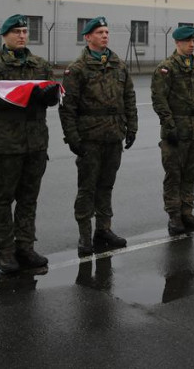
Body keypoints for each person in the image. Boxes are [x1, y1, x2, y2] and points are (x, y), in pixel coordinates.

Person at [0, 14, 60, 273]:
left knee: (28, 199)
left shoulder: (40, 64)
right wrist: (31, 93)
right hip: (4, 145)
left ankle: (25, 246)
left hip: (35, 144)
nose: (22, 36)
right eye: (16, 32)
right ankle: (5, 252)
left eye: (25, 31)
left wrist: (49, 97)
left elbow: (52, 94)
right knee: (2, 200)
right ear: (4, 36)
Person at [59, 17, 138, 257]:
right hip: (89, 138)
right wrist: (73, 138)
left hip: (113, 135)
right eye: (99, 32)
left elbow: (129, 98)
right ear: (88, 37)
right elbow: (67, 107)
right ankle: (85, 235)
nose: (105, 35)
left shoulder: (118, 64)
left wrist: (131, 128)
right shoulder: (77, 68)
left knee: (106, 186)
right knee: (87, 188)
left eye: (106, 31)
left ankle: (103, 230)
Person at [151, 25, 194, 236]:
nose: (192, 44)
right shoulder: (166, 68)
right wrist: (169, 126)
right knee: (174, 175)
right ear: (177, 42)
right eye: (188, 41)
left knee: (190, 174)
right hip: (176, 130)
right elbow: (159, 100)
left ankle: (187, 212)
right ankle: (174, 216)